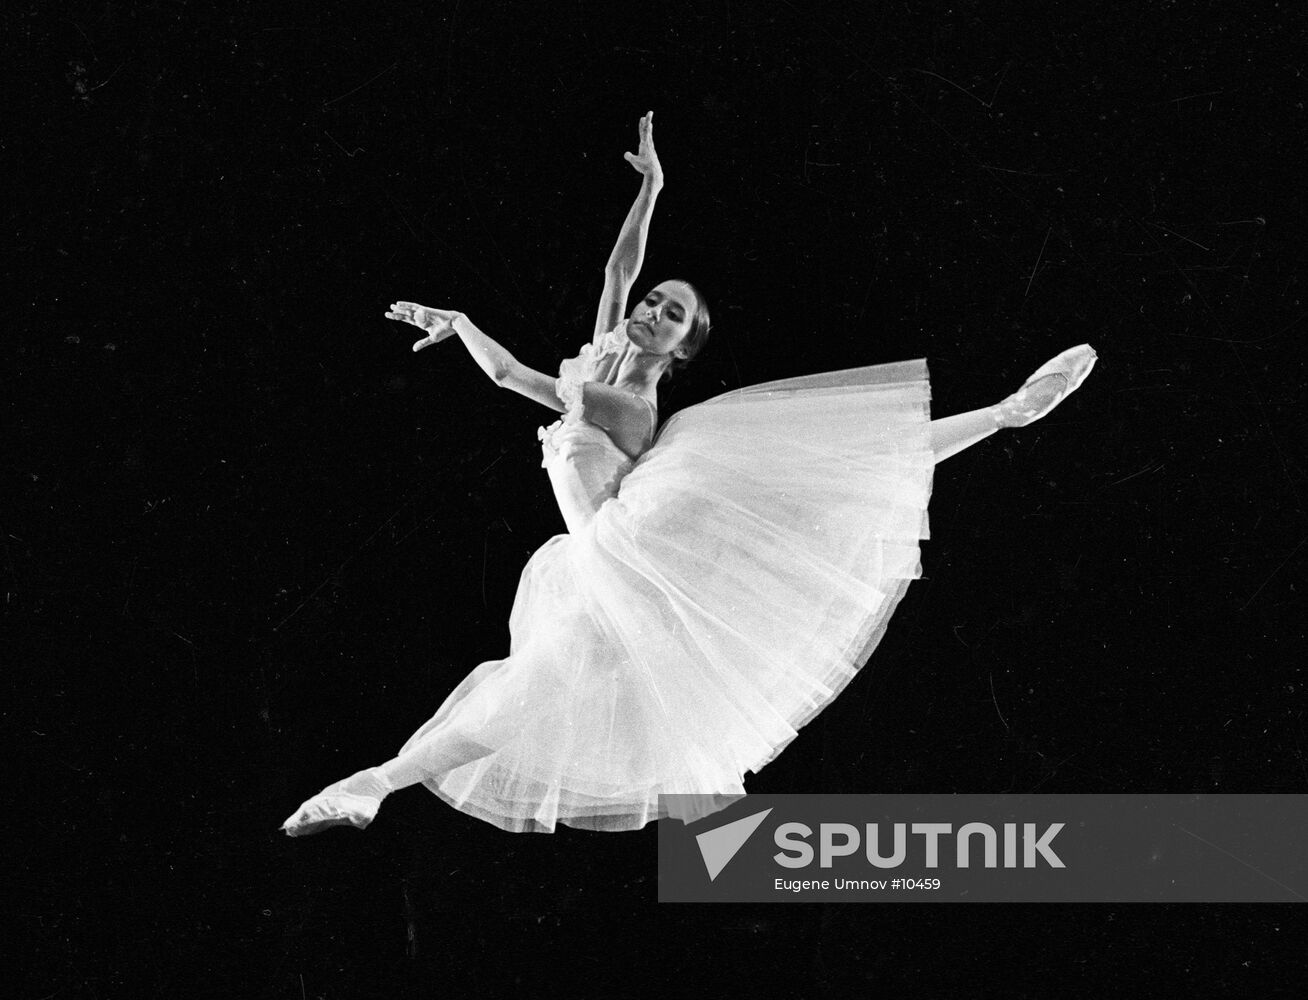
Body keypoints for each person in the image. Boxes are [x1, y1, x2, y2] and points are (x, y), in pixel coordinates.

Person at [282, 112, 1095, 836]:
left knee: (807, 498)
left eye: (673, 315)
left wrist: (460, 320)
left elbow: (509, 378)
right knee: (539, 700)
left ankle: (1003, 414)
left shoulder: (625, 402)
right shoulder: (602, 356)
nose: (652, 311)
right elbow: (617, 273)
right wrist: (652, 191)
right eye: (655, 302)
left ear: (682, 348)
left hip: (632, 557)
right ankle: (373, 785)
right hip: (598, 569)